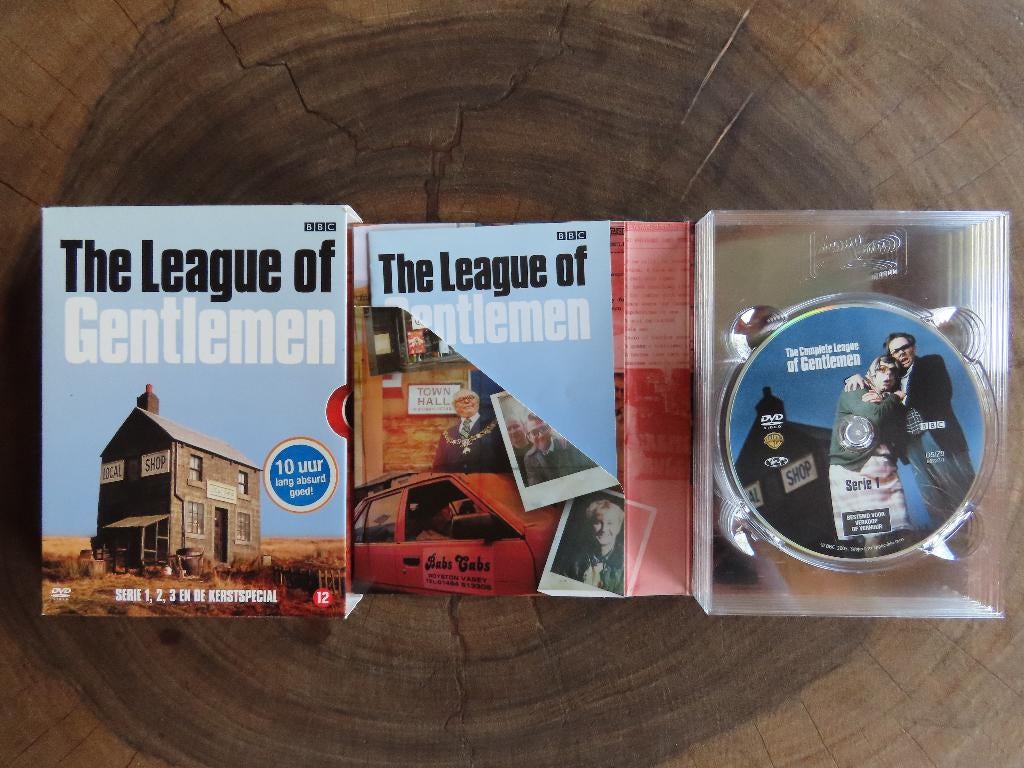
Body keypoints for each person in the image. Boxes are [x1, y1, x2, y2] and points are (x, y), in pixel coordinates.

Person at [845, 332, 974, 523]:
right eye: (895, 351)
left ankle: (972, 526)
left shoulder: (931, 364)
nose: (901, 353)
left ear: (913, 347)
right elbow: (872, 384)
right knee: (932, 497)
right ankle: (947, 534)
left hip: (937, 436)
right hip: (911, 444)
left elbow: (942, 395)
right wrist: (853, 377)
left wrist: (902, 397)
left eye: (905, 347)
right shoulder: (892, 379)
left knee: (959, 488)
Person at [829, 355, 912, 554]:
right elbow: (873, 416)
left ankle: (912, 569)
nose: (888, 375)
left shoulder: (886, 397)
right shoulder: (855, 388)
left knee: (904, 530)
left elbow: (898, 425)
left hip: (886, 469)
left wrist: (887, 400)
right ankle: (873, 573)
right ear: (870, 374)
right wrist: (894, 398)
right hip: (856, 470)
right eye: (882, 370)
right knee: (874, 534)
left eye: (892, 371)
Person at [554, 498, 625, 595]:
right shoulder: (572, 560)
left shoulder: (625, 566)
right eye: (598, 522)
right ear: (590, 525)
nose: (604, 529)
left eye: (610, 523)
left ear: (618, 527)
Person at [432, 388, 510, 474]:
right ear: (455, 407)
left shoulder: (496, 426)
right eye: (461, 399)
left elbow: (508, 461)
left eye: (471, 397)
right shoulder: (447, 435)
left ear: (477, 402)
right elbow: (438, 469)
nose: (466, 401)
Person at [522, 413, 596, 486]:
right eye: (534, 432)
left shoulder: (568, 445)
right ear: (529, 437)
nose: (541, 435)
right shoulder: (529, 458)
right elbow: (536, 486)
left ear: (549, 429)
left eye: (543, 429)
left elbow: (589, 473)